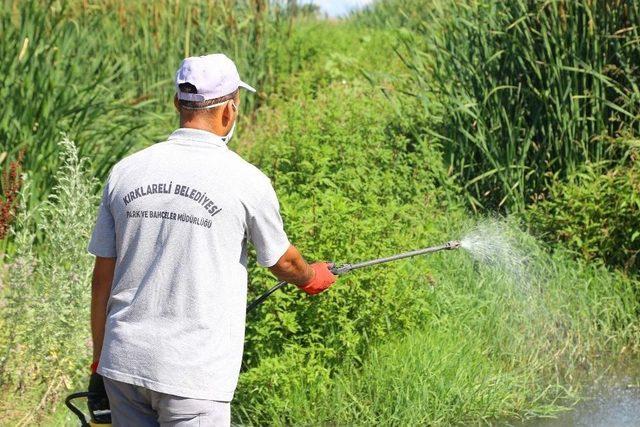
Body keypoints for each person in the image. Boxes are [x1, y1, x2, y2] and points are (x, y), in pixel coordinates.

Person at [87, 53, 337, 426]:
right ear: (229, 112)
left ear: (177, 103)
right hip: (192, 376)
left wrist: (99, 359)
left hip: (123, 365)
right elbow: (283, 262)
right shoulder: (246, 180)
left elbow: (101, 279)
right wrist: (311, 277)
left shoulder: (126, 171)